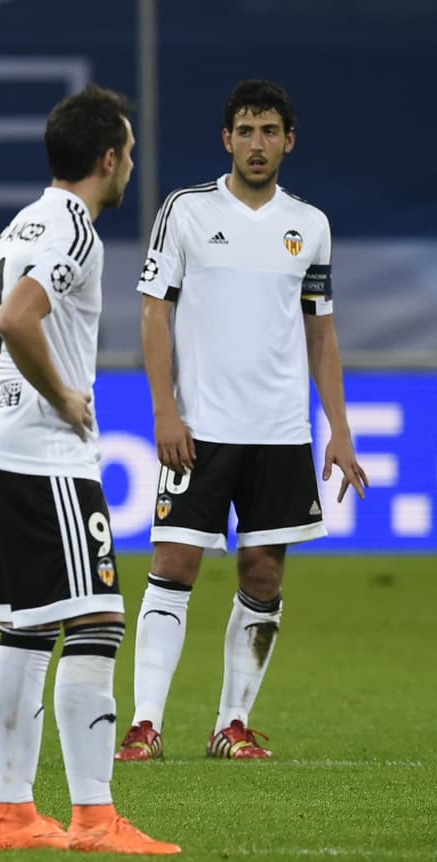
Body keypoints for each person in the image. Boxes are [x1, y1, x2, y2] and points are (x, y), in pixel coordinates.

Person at [0, 84, 179, 855]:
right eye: (130, 155)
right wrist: (62, 399)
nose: (131, 169)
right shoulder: (74, 227)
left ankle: (12, 816)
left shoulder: (23, 223)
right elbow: (14, 319)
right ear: (108, 158)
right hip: (48, 457)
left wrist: (7, 393)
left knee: (26, 633)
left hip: (0, 447)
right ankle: (94, 819)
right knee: (100, 621)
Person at [115, 80, 368, 763]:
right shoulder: (186, 212)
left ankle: (231, 724)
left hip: (281, 432)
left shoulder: (308, 225)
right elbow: (153, 310)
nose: (258, 144)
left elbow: (321, 331)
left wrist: (338, 428)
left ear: (289, 140)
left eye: (270, 131)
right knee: (174, 563)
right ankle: (144, 725)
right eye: (246, 131)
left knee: (263, 574)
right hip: (200, 428)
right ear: (227, 140)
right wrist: (165, 410)